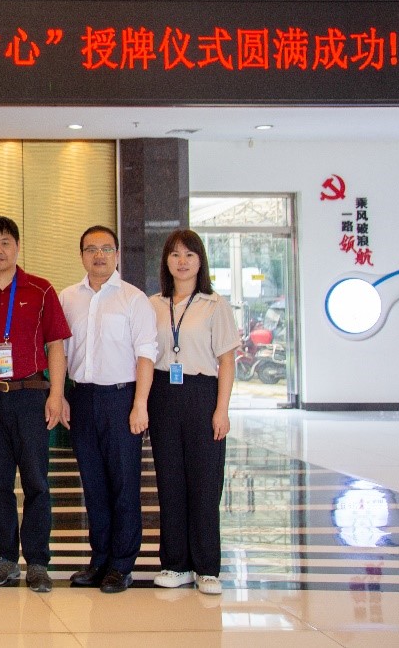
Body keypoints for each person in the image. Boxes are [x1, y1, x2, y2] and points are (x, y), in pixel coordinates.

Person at [0, 215, 71, 593]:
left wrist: (56, 394)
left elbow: (56, 345)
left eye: (5, 242)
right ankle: (5, 558)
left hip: (30, 394)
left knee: (37, 481)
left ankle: (38, 561)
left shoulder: (40, 289)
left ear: (18, 246)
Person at [58, 226, 158, 593]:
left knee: (124, 485)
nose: (98, 255)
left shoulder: (134, 299)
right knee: (93, 485)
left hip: (121, 399)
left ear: (117, 254)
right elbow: (60, 351)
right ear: (81, 255)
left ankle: (122, 564)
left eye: (106, 248)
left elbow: (146, 354)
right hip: (82, 398)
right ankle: (99, 559)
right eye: (91, 249)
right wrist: (61, 395)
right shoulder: (68, 298)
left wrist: (140, 404)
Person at [148, 229, 238, 596]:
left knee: (204, 482)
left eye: (189, 254)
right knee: (169, 481)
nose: (182, 261)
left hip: (202, 394)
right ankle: (175, 564)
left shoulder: (214, 304)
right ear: (166, 261)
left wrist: (222, 410)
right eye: (175, 254)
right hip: (162, 395)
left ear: (200, 261)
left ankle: (207, 567)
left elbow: (227, 361)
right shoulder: (153, 304)